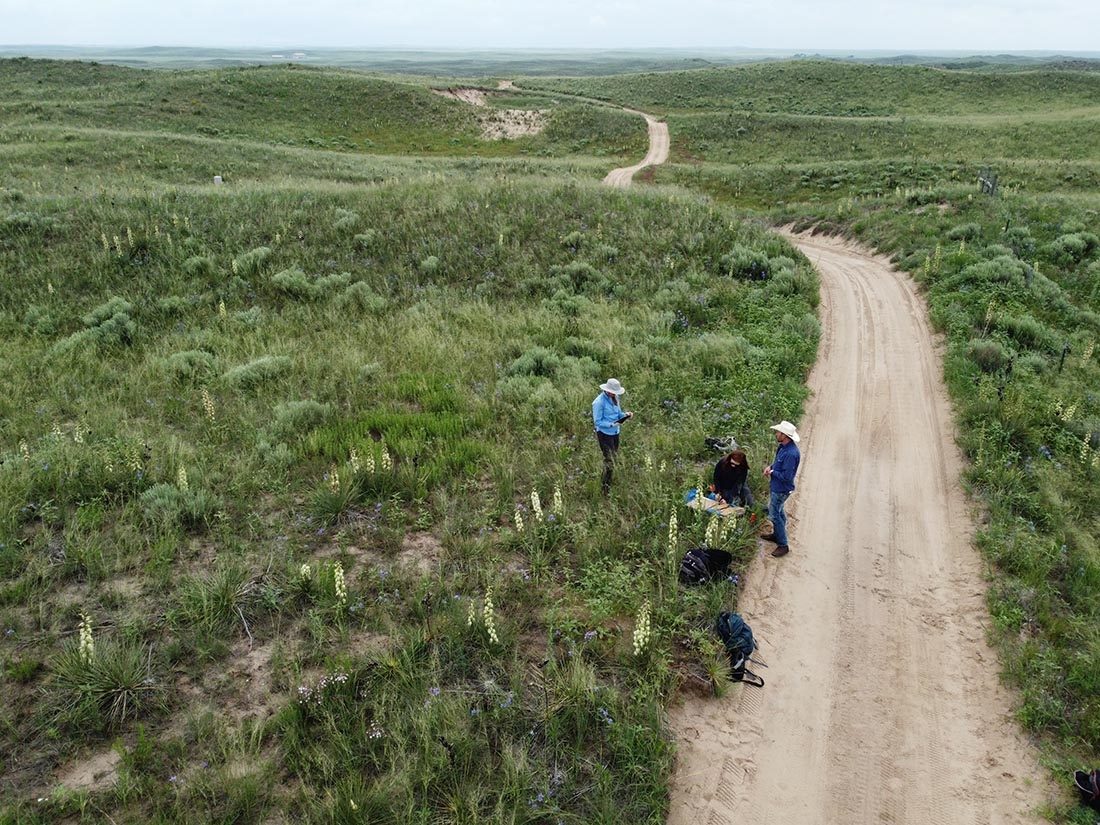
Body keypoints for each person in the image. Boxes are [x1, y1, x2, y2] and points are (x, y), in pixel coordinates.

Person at [761, 420, 801, 557]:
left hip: (781, 489)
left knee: (774, 515)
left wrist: (772, 473)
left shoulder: (791, 454)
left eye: (778, 432)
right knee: (779, 511)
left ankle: (783, 545)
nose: (776, 434)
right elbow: (777, 464)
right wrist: (771, 467)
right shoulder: (783, 447)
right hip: (777, 487)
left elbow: (787, 477)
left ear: (784, 435)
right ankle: (778, 534)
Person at [591, 378, 633, 494]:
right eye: (612, 392)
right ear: (607, 390)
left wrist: (626, 415)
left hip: (615, 432)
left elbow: (618, 413)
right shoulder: (598, 402)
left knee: (613, 457)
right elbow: (597, 422)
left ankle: (608, 480)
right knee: (609, 459)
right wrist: (611, 424)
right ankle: (605, 487)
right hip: (604, 434)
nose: (614, 394)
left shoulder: (615, 398)